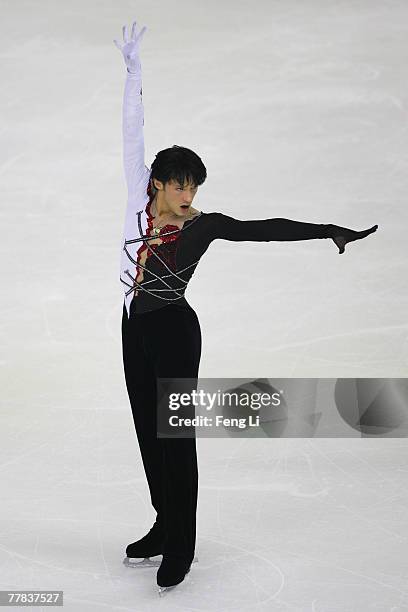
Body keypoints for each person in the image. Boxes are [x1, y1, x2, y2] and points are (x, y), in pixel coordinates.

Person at [113, 21, 378, 594]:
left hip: (177, 332)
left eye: (195, 187)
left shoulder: (202, 227)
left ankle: (182, 544)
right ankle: (164, 522)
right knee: (144, 429)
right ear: (157, 184)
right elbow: (132, 136)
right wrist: (134, 74)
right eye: (181, 185)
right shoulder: (138, 202)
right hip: (133, 327)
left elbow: (264, 228)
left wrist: (326, 229)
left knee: (174, 434)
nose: (189, 196)